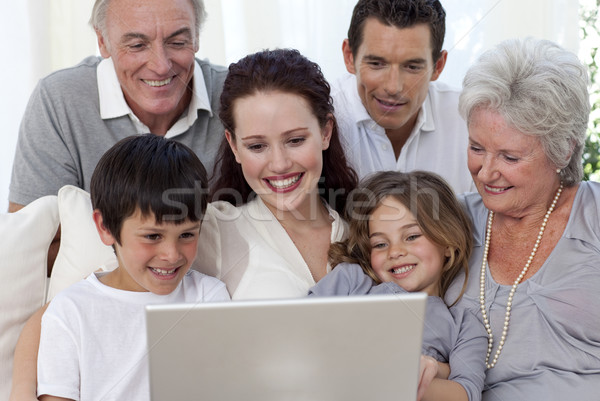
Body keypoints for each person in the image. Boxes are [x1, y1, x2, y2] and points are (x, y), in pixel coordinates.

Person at [444, 37, 600, 400]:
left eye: (510, 157)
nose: (485, 173)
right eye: (476, 148)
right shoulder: (450, 221)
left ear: (563, 150)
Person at [36, 134, 230, 401]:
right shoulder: (71, 310)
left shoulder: (210, 296)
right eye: (152, 236)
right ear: (105, 228)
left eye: (187, 235)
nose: (171, 255)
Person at [9, 0, 226, 213]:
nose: (161, 66)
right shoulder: (58, 100)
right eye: (137, 46)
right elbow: (34, 242)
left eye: (178, 42)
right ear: (102, 41)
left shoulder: (236, 96)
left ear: (197, 37)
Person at [192, 48, 358, 300]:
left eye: (295, 140)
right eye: (257, 146)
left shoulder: (365, 233)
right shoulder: (212, 232)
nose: (279, 164)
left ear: (325, 132)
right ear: (234, 145)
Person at [309, 170, 486, 401]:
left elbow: (466, 392)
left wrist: (409, 379)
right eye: (381, 244)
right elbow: (303, 329)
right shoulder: (353, 281)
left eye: (411, 236)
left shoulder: (463, 325)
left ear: (448, 243)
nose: (395, 252)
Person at [333, 0, 474, 194]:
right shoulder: (320, 116)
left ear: (438, 66)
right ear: (349, 56)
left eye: (412, 67)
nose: (393, 87)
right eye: (376, 63)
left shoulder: (469, 119)